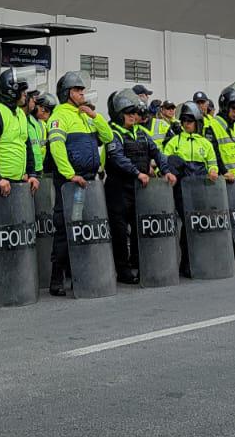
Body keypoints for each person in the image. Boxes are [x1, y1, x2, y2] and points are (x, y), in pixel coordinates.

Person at [0, 68, 39, 302]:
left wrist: (31, 173)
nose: (26, 95)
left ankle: (13, 281)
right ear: (12, 91)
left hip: (15, 184)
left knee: (14, 234)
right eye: (23, 91)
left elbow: (26, 146)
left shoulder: (21, 115)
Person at [103, 89, 176, 284]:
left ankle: (137, 262)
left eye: (134, 113)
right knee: (119, 232)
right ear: (119, 115)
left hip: (138, 189)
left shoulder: (141, 133)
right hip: (118, 188)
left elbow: (157, 152)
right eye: (129, 114)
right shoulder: (113, 133)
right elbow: (117, 158)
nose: (133, 117)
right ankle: (123, 270)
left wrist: (166, 170)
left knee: (138, 228)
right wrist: (137, 173)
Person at [46, 72, 109, 296]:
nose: (82, 93)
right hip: (70, 183)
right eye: (78, 90)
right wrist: (70, 174)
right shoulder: (59, 116)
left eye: (82, 90)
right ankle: (56, 279)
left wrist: (94, 116)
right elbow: (56, 147)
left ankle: (79, 275)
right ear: (67, 93)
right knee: (65, 228)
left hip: (87, 184)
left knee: (82, 226)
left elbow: (108, 137)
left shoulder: (84, 115)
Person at [163, 102, 220, 276]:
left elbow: (212, 162)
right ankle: (186, 263)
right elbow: (164, 162)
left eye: (190, 120)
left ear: (196, 122)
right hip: (182, 189)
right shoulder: (174, 142)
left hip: (201, 189)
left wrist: (213, 171)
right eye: (184, 120)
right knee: (188, 225)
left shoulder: (205, 143)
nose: (186, 123)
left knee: (201, 225)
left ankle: (202, 259)